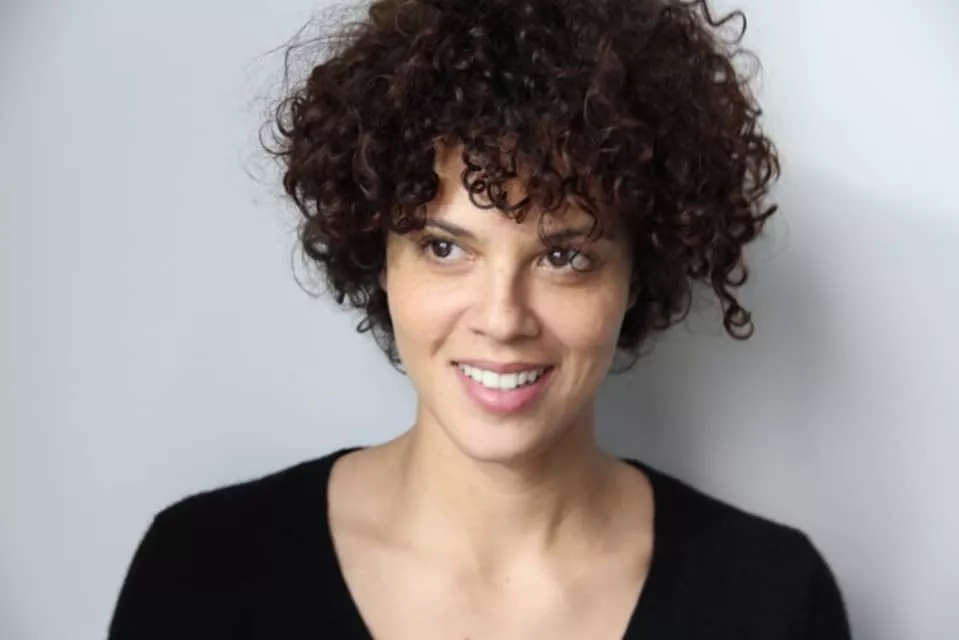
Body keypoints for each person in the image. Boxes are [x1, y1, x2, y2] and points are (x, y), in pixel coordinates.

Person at [108, 0, 851, 638]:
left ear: (638, 272)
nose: (501, 318)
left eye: (564, 256)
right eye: (444, 248)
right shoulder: (205, 573)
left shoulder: (770, 598)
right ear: (379, 256)